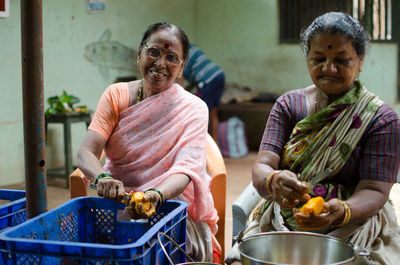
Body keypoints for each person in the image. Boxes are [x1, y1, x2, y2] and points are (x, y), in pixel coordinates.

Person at [225, 12, 400, 265]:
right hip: (281, 226)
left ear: (360, 61)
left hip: (356, 228)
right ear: (307, 58)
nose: (329, 68)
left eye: (342, 60)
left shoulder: (380, 119)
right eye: (318, 59)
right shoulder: (288, 106)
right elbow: (262, 166)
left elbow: (375, 189)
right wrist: (274, 181)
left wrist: (342, 211)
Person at [77, 22, 221, 263]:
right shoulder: (116, 96)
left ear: (182, 67)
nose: (161, 64)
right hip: (116, 202)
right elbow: (86, 152)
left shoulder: (194, 108)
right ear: (139, 54)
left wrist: (156, 195)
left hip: (169, 206)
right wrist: (103, 178)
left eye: (172, 57)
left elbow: (186, 170)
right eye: (154, 52)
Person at [178, 43, 225, 141]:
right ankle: (215, 146)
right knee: (213, 113)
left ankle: (204, 145)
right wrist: (188, 89)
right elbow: (196, 74)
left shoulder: (180, 56)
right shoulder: (192, 48)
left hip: (208, 81)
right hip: (219, 75)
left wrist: (179, 97)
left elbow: (180, 84)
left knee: (201, 114)